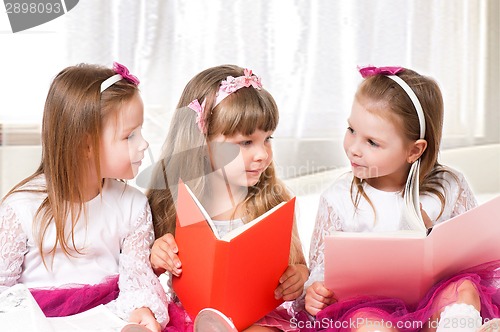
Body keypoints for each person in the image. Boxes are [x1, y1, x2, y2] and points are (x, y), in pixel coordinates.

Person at [303, 66, 500, 332]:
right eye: (351, 130)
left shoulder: (449, 187)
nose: (354, 148)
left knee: (464, 289)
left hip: (434, 304)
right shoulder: (340, 199)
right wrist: (315, 293)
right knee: (369, 324)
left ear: (413, 150)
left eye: (372, 142)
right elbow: (320, 271)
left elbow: (478, 259)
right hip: (367, 308)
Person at [0, 62, 168, 332]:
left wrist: (139, 308)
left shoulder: (132, 204)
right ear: (85, 145)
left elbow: (136, 277)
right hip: (40, 323)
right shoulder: (21, 207)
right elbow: (3, 292)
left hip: (108, 316)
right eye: (130, 135)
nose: (144, 144)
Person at [146, 65, 309, 331]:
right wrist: (156, 258)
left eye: (267, 139)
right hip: (192, 318)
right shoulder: (170, 201)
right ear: (202, 141)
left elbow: (299, 265)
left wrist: (298, 276)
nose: (262, 155)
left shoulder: (273, 199)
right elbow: (140, 276)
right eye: (246, 143)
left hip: (257, 319)